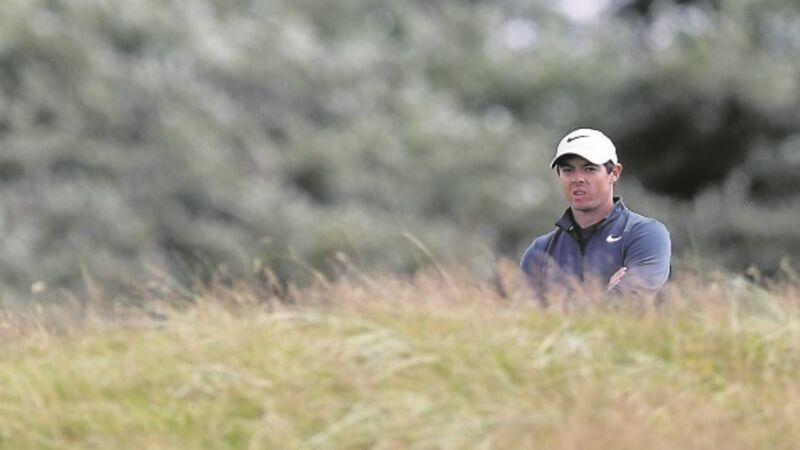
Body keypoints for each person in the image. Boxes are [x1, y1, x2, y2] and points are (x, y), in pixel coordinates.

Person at [519, 128, 671, 305]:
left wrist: (556, 307)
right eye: (568, 170)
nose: (577, 179)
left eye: (589, 169)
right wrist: (605, 296)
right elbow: (524, 315)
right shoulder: (541, 250)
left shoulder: (646, 234)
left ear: (614, 173)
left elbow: (630, 301)